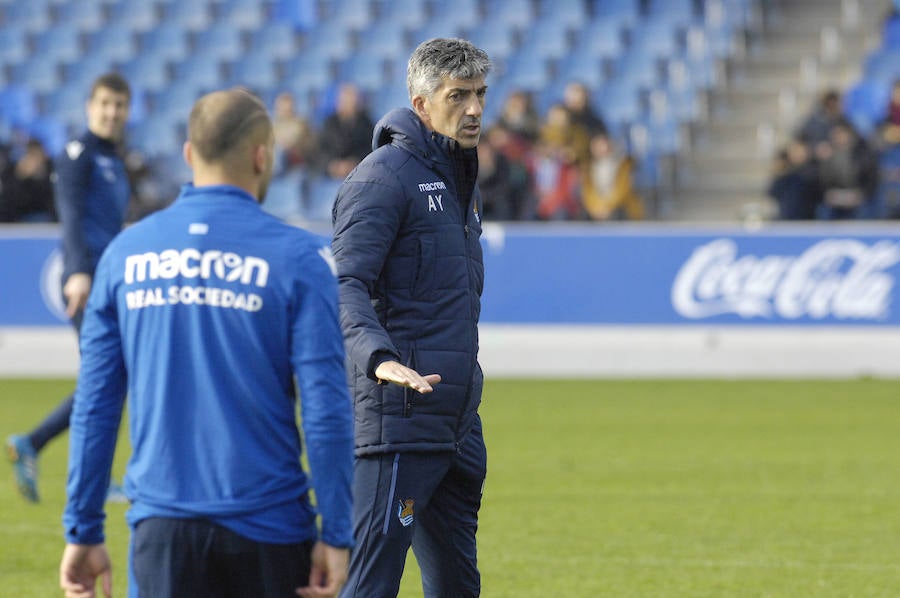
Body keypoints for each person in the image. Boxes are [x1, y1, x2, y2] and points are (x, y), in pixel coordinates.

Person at [59, 87, 354, 598]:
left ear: (190, 154)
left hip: (161, 529)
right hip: (271, 529)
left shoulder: (124, 255)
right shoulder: (300, 259)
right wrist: (337, 531)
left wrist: (83, 528)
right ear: (263, 157)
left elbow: (96, 405)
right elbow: (327, 410)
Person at [331, 38, 491, 597]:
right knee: (371, 585)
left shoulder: (460, 181)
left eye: (480, 94)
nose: (473, 109)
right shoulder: (382, 179)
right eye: (458, 96)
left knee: (457, 586)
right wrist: (379, 360)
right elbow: (346, 284)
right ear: (422, 105)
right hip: (398, 420)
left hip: (454, 423)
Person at [6, 73, 132, 503]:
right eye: (104, 104)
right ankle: (84, 475)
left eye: (118, 105)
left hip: (108, 279)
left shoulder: (115, 160)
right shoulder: (77, 155)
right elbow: (72, 216)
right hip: (87, 279)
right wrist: (78, 270)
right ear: (89, 107)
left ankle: (36, 444)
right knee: (108, 378)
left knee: (108, 378)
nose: (111, 112)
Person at [580, 131, 645, 221]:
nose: (600, 149)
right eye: (597, 146)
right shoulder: (587, 168)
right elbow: (587, 193)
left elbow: (623, 190)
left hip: (618, 209)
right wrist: (595, 208)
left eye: (602, 145)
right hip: (597, 210)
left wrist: (608, 206)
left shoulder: (623, 165)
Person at [317, 82, 375, 180]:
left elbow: (371, 149)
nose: (348, 103)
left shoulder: (366, 123)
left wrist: (355, 163)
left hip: (360, 174)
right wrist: (333, 165)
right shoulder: (329, 124)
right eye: (344, 100)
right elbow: (321, 150)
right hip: (331, 174)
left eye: (351, 100)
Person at [0, 138, 56, 223]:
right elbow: (9, 200)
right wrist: (21, 177)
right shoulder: (12, 171)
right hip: (18, 218)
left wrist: (41, 176)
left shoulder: (52, 169)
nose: (34, 160)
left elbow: (54, 197)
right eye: (31, 155)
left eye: (37, 155)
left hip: (48, 217)